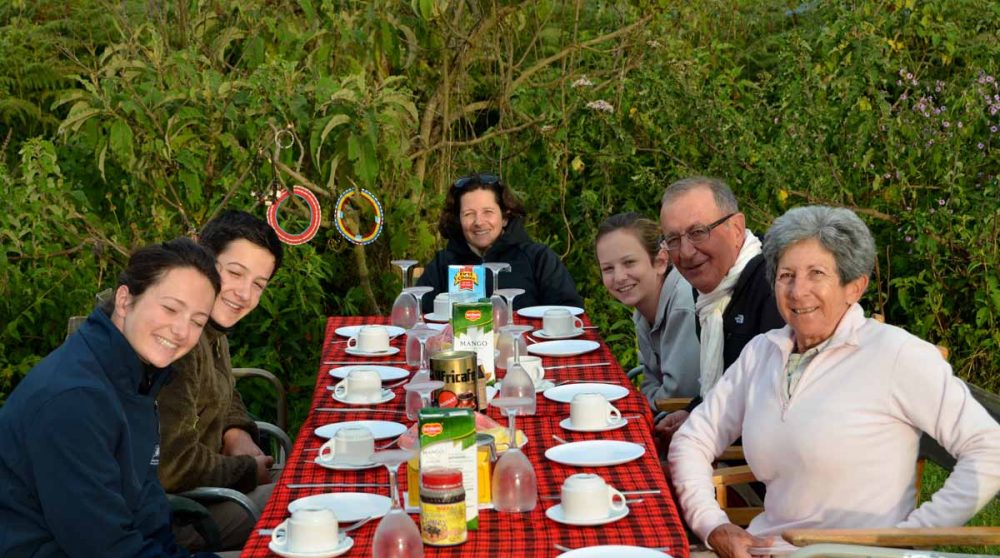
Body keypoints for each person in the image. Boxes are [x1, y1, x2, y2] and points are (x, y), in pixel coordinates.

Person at [668, 205, 1000, 558]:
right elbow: (693, 439)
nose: (798, 291)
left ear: (854, 287)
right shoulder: (762, 353)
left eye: (817, 274)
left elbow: (989, 448)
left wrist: (912, 534)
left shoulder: (895, 354)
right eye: (786, 275)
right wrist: (712, 524)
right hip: (765, 548)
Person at [0, 239, 222, 558]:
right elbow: (103, 546)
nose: (181, 330)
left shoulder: (134, 379)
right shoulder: (74, 400)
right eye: (171, 308)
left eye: (197, 321)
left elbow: (147, 508)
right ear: (124, 300)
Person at [157, 210, 284, 551]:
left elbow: (224, 390)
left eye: (258, 284)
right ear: (203, 258)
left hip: (204, 490)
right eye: (235, 273)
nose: (244, 293)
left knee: (308, 484)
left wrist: (236, 433)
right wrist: (242, 470)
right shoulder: (176, 338)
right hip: (174, 516)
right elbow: (172, 466)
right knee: (304, 505)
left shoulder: (210, 325)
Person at [655, 177, 784, 445]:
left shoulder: (777, 288)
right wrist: (691, 412)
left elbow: (772, 411)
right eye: (673, 240)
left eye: (698, 232)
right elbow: (726, 384)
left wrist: (698, 432)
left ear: (736, 228)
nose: (686, 252)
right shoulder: (708, 288)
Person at [415, 173, 583, 312]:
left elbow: (570, 311)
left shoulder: (538, 258)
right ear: (458, 220)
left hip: (526, 350)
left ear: (505, 218)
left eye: (488, 212)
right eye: (468, 214)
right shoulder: (443, 264)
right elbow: (417, 316)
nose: (478, 222)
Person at [595, 212, 701, 407]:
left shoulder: (683, 306)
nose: (619, 277)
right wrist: (646, 399)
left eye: (629, 263)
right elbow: (650, 377)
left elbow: (678, 396)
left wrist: (640, 404)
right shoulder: (643, 305)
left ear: (660, 261)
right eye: (608, 268)